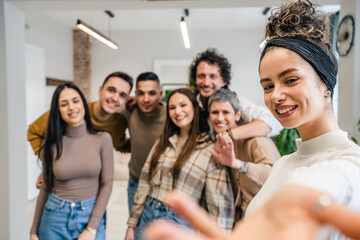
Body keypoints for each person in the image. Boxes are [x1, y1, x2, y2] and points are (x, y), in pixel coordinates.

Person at [143, 0, 360, 239]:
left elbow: (330, 180)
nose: (276, 95)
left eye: (290, 80)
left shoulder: (350, 163)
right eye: (267, 86)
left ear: (325, 84)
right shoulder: (284, 164)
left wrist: (303, 200)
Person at [125, 88, 234, 240]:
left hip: (180, 222)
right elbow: (144, 182)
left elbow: (219, 203)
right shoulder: (162, 142)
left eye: (183, 105)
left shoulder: (209, 150)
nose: (177, 111)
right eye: (172, 107)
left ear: (194, 108)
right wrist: (132, 224)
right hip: (148, 216)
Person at [30, 83, 114, 240]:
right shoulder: (50, 143)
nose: (71, 107)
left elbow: (107, 184)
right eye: (64, 104)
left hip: (89, 215)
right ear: (58, 110)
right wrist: (33, 231)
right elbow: (46, 188)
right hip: (54, 217)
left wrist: (92, 228)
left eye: (76, 101)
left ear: (83, 104)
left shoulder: (103, 138)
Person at [28, 71, 133, 188]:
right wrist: (49, 165)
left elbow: (120, 144)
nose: (115, 98)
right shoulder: (75, 111)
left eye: (122, 95)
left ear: (126, 100)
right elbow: (33, 131)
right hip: (64, 187)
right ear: (100, 90)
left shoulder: (120, 122)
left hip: (93, 187)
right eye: (111, 90)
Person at [208, 88, 280, 220]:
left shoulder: (256, 139)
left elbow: (273, 175)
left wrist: (236, 164)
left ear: (237, 114)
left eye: (225, 112)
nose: (219, 118)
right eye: (214, 112)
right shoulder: (221, 143)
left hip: (269, 218)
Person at [190, 48, 283, 138]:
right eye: (201, 76)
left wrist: (229, 134)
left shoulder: (236, 103)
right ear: (195, 79)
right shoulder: (189, 104)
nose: (206, 82)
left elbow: (275, 120)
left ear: (224, 81)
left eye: (213, 76)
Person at [122, 72, 167, 214]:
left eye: (152, 93)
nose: (146, 99)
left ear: (161, 94)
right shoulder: (129, 110)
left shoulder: (171, 113)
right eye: (141, 94)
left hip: (165, 185)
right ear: (135, 95)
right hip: (136, 183)